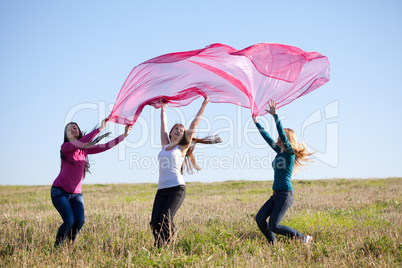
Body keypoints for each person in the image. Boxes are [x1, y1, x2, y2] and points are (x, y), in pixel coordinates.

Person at [150, 94, 221, 247]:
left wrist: (204, 104)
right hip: (161, 190)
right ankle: (160, 248)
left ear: (184, 135)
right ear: (170, 133)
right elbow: (163, 123)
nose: (179, 130)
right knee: (154, 223)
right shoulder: (165, 145)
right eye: (176, 128)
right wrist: (163, 108)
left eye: (181, 130)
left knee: (165, 219)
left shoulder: (182, 148)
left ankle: (172, 234)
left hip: (176, 188)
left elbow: (194, 124)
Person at [51, 118, 132, 248]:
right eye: (70, 128)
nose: (73, 129)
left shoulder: (85, 149)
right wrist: (100, 129)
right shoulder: (65, 147)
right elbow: (81, 142)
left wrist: (123, 136)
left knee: (79, 221)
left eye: (75, 127)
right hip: (59, 191)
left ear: (79, 131)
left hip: (76, 194)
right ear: (66, 135)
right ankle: (57, 246)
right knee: (69, 221)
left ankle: (69, 245)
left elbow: (105, 146)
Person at [252, 100, 314, 245]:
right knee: (260, 219)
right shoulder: (279, 151)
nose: (278, 137)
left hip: (285, 194)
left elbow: (281, 133)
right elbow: (268, 138)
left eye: (282, 136)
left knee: (274, 225)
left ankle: (303, 238)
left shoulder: (289, 153)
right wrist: (256, 123)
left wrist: (275, 115)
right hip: (276, 195)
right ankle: (273, 244)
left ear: (286, 138)